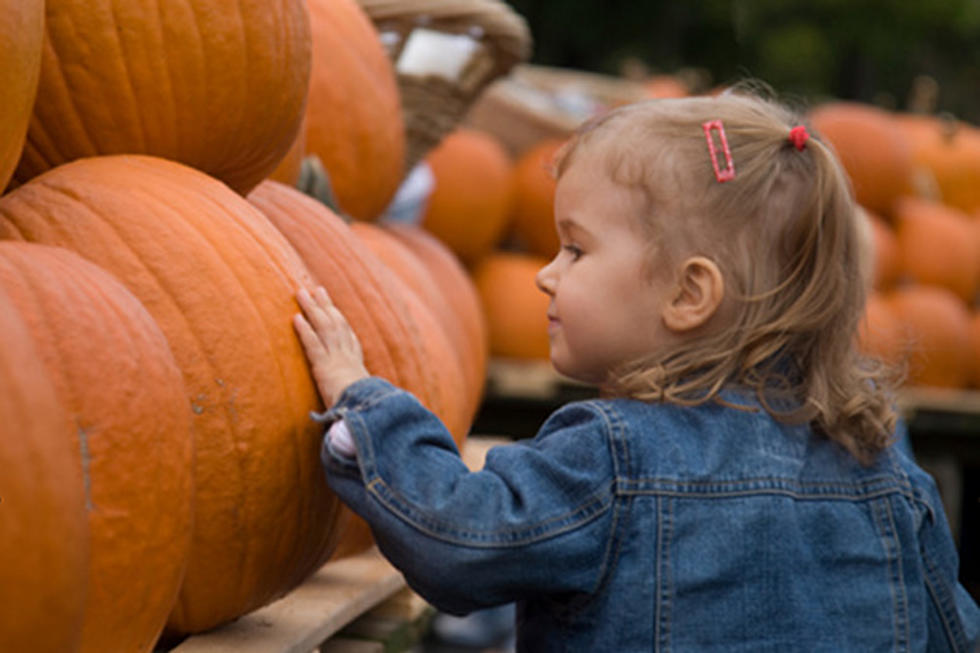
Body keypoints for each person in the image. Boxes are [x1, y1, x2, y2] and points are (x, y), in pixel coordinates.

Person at [293, 88, 980, 651]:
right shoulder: (882, 458)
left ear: (688, 295)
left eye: (575, 250)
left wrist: (367, 407)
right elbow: (952, 631)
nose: (543, 274)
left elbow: (459, 541)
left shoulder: (610, 457)